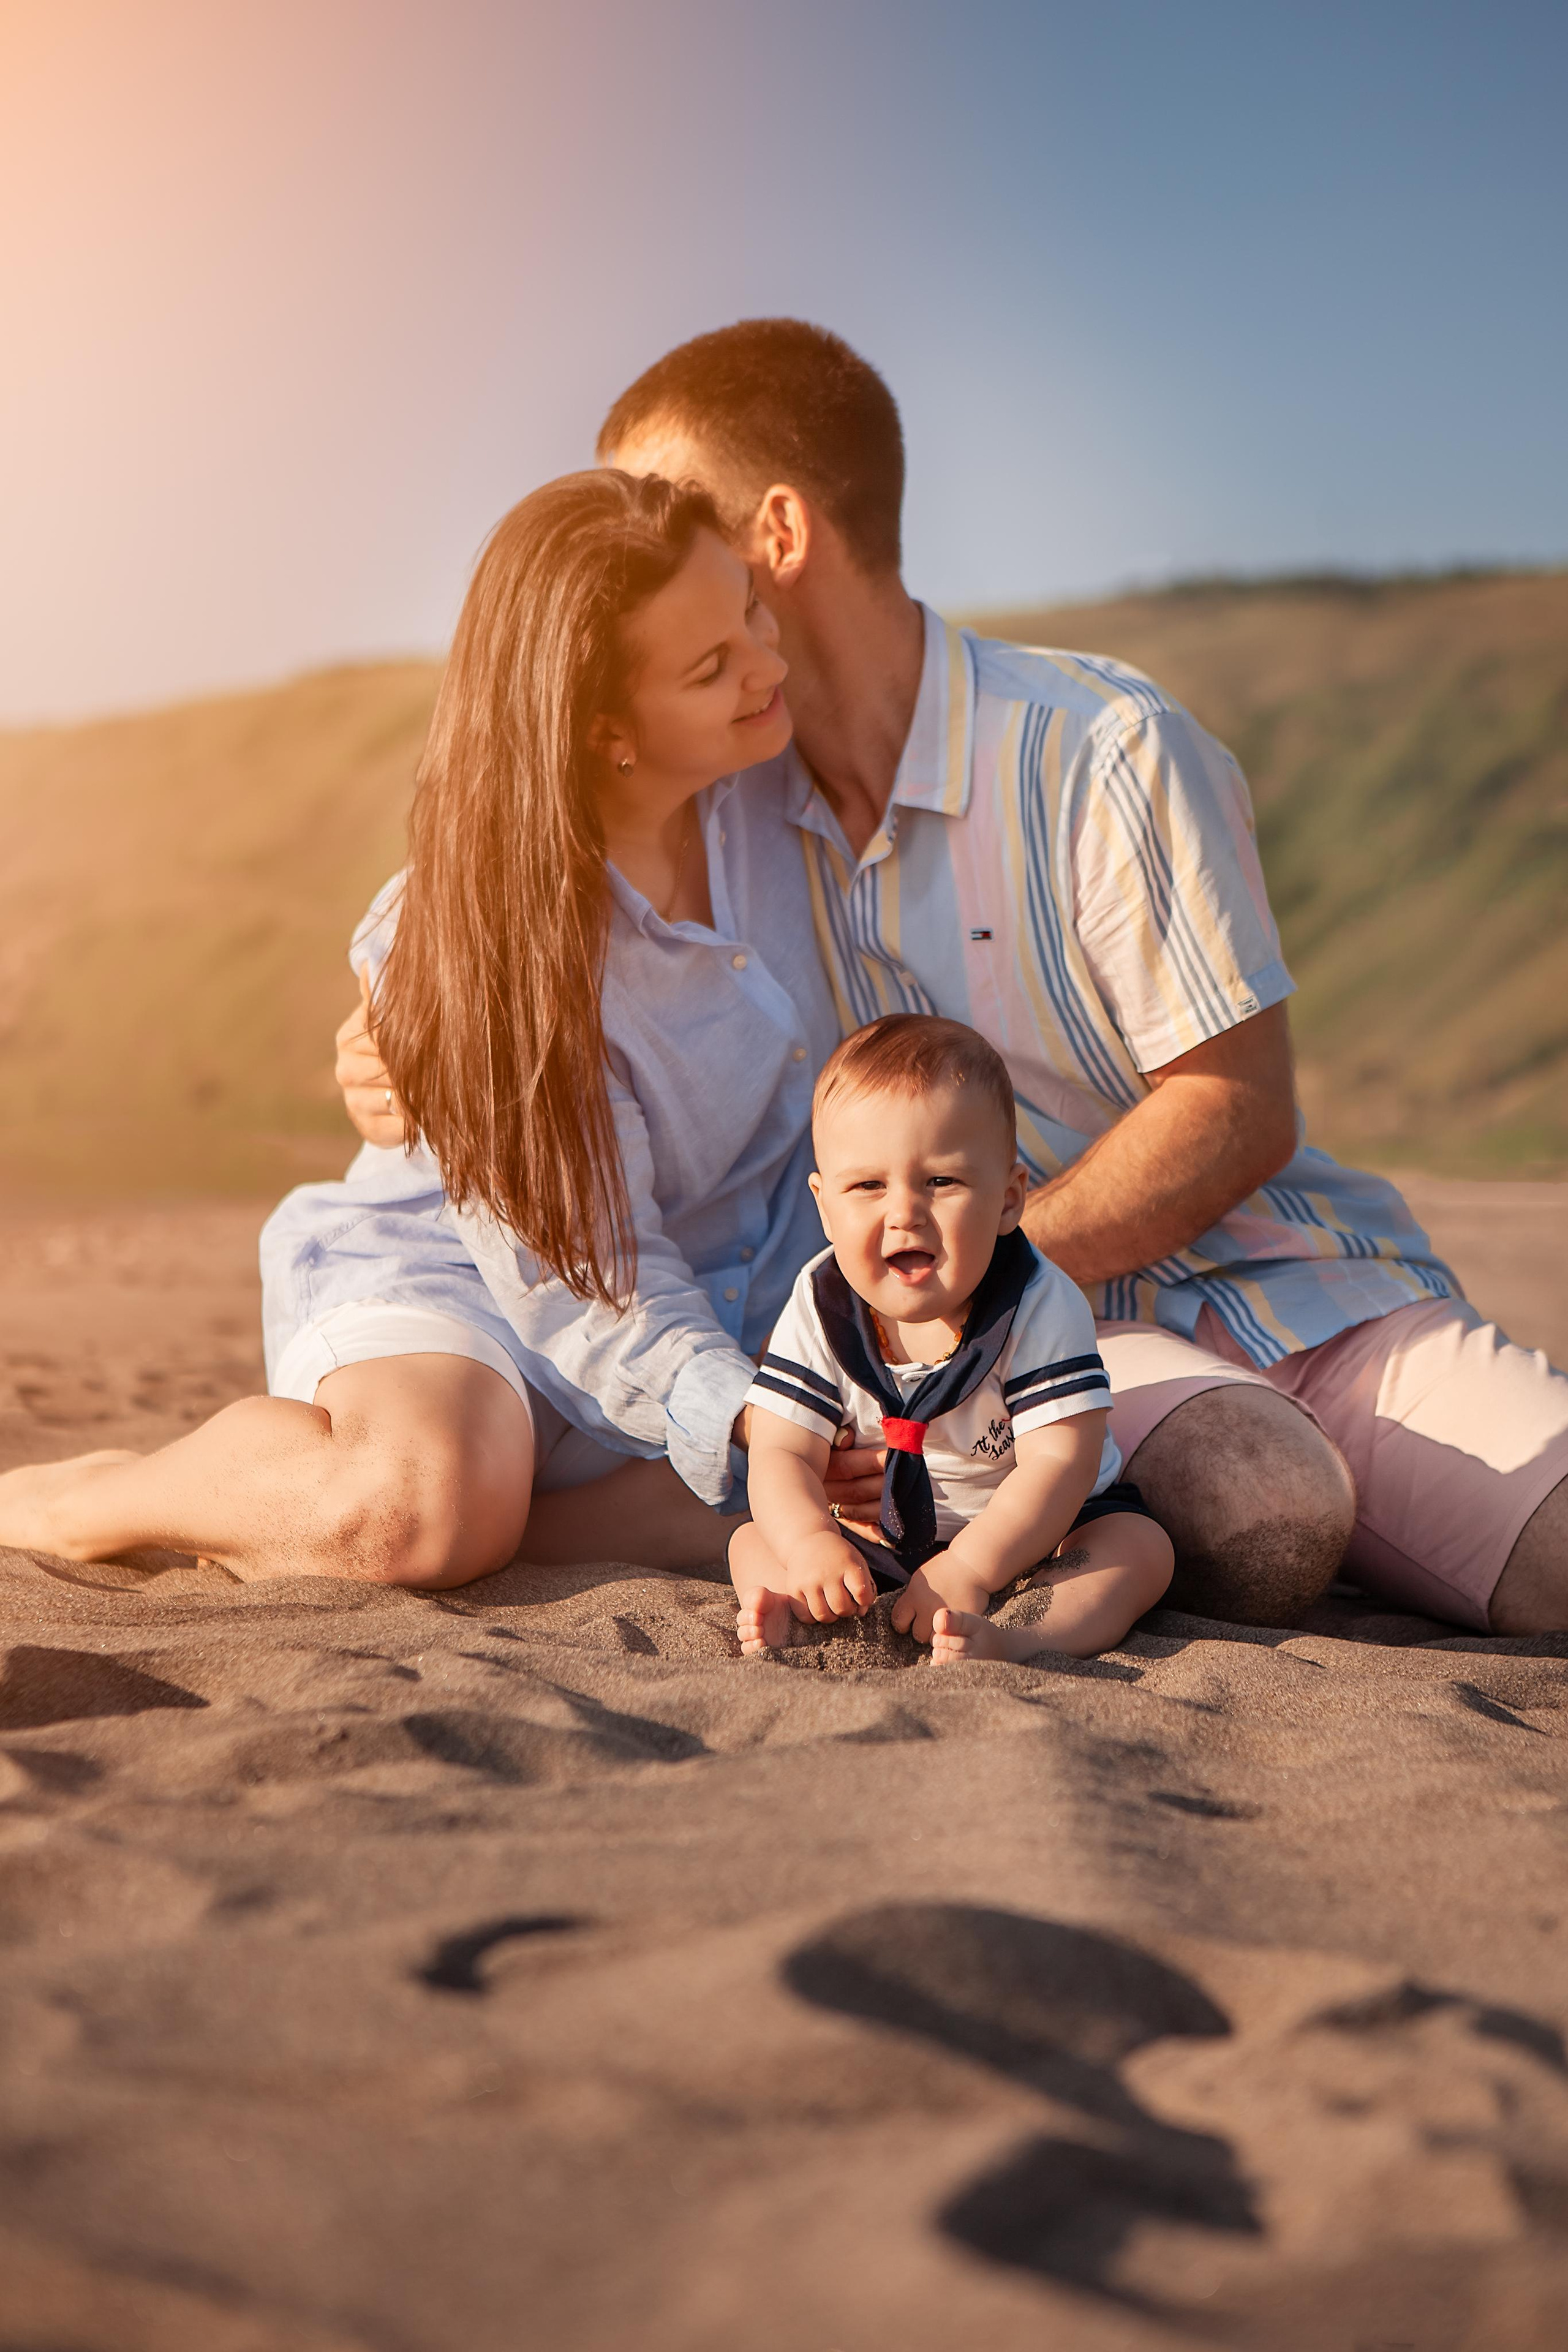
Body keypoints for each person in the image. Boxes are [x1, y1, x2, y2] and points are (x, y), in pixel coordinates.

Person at [337, 319, 1568, 1636]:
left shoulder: (1096, 748)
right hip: (1057, 1356)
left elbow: (1236, 1106)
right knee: (1266, 1506)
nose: (640, 543)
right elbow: (510, 886)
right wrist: (388, 1028)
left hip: (1298, 1289)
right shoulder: (731, 821)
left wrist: (980, 1286)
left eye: (672, 508)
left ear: (777, 534)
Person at [0, 469, 840, 1584]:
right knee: (418, 1510)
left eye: (750, 612)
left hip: (708, 1292)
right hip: (479, 1279)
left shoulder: (788, 798)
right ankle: (85, 1499)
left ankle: (540, 1516)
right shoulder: (464, 938)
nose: (768, 667)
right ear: (604, 732)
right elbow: (593, 1276)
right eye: (712, 668)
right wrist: (749, 1411)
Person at [731, 1015, 1174, 1662]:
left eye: (940, 1181)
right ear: (825, 1207)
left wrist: (970, 1567)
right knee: (754, 1540)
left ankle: (1021, 1637)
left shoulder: (1037, 1303)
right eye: (868, 1186)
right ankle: (803, 1615)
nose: (904, 1211)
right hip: (869, 1540)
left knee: (1137, 1550)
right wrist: (807, 1545)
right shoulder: (820, 1301)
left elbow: (1059, 1464)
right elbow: (781, 1452)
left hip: (1035, 1536)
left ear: (1007, 1199)